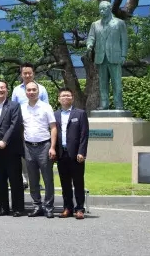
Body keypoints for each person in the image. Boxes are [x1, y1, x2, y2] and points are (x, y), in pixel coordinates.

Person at [22, 81, 58, 219]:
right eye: (29, 90)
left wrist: (52, 147)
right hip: (28, 146)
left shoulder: (46, 107)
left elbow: (53, 127)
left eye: (34, 90)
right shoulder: (22, 108)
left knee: (47, 178)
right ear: (26, 92)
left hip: (44, 146)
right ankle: (37, 206)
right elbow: (21, 128)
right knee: (32, 179)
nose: (31, 92)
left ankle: (48, 207)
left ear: (38, 91)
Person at [0, 80, 25, 217]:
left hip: (12, 148)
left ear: (7, 91)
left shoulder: (14, 105)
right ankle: (3, 208)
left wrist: (4, 141)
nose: (0, 90)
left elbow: (14, 125)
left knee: (15, 180)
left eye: (3, 88)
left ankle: (18, 208)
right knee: (1, 180)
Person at [86, 0, 129, 109]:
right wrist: (89, 44)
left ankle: (118, 105)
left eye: (104, 9)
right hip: (101, 58)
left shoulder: (119, 23)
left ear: (110, 9)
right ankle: (104, 104)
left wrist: (123, 55)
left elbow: (124, 40)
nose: (101, 11)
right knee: (103, 84)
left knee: (117, 83)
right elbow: (91, 37)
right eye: (100, 9)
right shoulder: (95, 24)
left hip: (115, 57)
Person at [55, 88, 89, 219]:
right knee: (65, 183)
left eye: (68, 95)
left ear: (72, 98)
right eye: (63, 96)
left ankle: (79, 208)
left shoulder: (80, 114)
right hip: (61, 153)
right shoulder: (55, 114)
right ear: (59, 99)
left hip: (76, 154)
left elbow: (84, 135)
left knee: (78, 182)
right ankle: (67, 208)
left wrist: (82, 152)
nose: (65, 97)